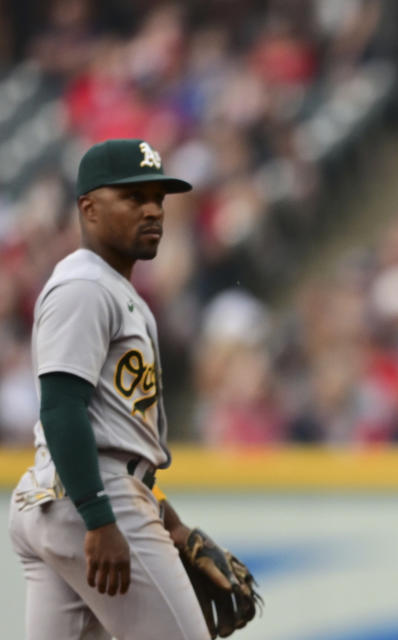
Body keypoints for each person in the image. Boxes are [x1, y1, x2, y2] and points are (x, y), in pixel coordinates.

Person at [8, 139, 259, 640]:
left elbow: (118, 434)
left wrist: (173, 526)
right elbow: (61, 409)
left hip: (70, 497)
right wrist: (100, 520)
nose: (151, 210)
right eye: (132, 197)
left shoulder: (116, 290)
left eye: (158, 199)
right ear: (89, 208)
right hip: (93, 500)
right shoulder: (84, 286)